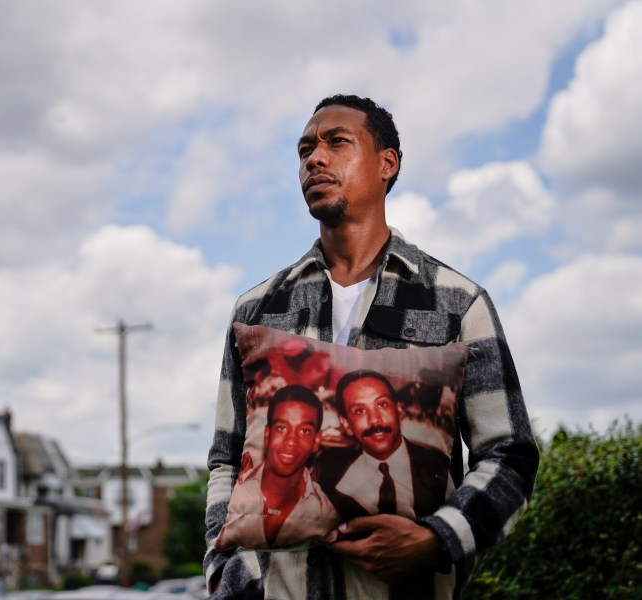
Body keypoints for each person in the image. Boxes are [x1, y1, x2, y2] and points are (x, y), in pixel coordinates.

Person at [204, 94, 539, 599]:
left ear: (388, 164)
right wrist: (228, 578)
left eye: (337, 142)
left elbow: (509, 455)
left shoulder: (457, 303)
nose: (314, 158)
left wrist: (436, 538)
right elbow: (228, 461)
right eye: (304, 150)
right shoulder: (255, 310)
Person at [215, 385, 338, 550]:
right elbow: (222, 464)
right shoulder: (239, 490)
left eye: (304, 431)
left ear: (316, 441)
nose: (291, 441)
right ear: (267, 434)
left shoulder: (326, 511)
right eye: (282, 428)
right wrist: (216, 562)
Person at [315, 370, 450, 520]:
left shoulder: (439, 468)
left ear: (399, 411)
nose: (375, 421)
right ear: (346, 424)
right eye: (360, 411)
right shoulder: (325, 468)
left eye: (382, 404)